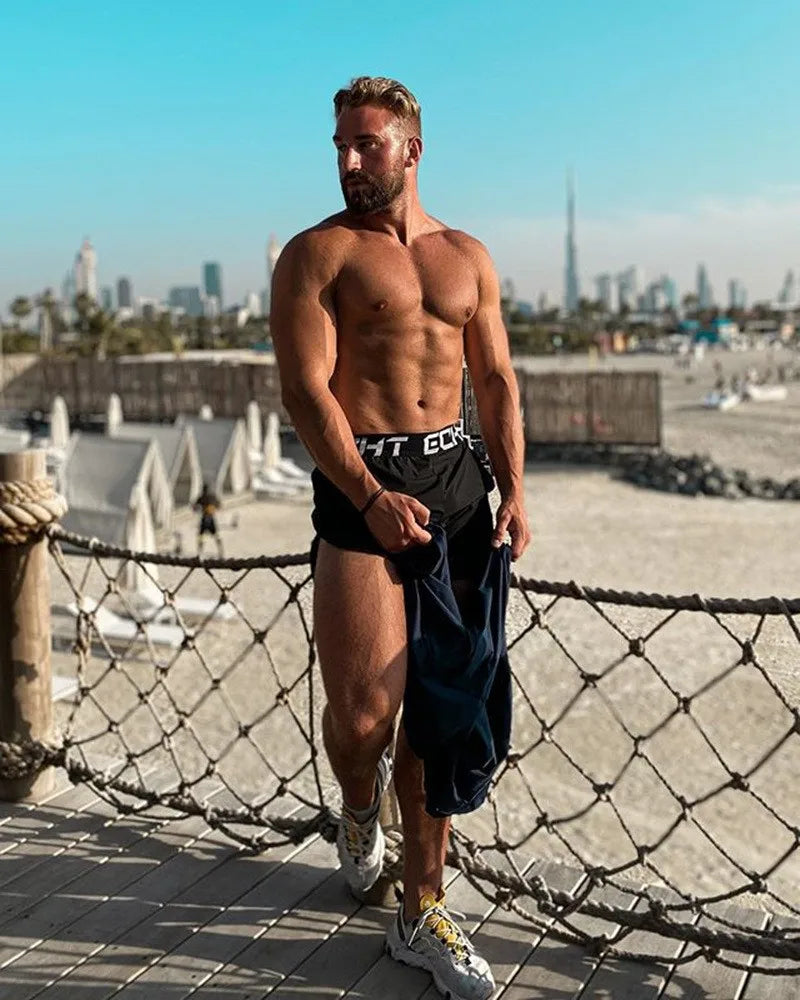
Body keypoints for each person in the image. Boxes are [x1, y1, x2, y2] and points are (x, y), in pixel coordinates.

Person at [270, 76, 530, 1000]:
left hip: (457, 487)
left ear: (411, 149)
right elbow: (306, 392)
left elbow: (494, 379)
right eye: (338, 143)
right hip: (360, 490)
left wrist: (515, 488)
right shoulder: (316, 256)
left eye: (365, 143)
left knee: (440, 709)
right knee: (365, 716)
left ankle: (421, 911)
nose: (347, 160)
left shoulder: (468, 257)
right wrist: (372, 496)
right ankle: (352, 804)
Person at [193, 481, 223, 557]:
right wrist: (213, 508)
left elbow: (194, 507)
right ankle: (220, 551)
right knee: (215, 535)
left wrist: (201, 508)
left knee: (201, 536)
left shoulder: (202, 497)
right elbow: (219, 505)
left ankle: (200, 552)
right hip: (210, 518)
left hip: (205, 518)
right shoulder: (212, 496)